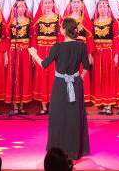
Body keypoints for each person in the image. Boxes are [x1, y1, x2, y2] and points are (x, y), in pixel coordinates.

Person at [28, 17, 91, 160]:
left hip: (60, 85)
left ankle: (57, 150)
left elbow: (44, 64)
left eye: (61, 27)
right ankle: (74, 150)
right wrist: (79, 78)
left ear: (64, 30)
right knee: (74, 117)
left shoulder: (57, 47)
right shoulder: (81, 46)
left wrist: (34, 54)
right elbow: (87, 67)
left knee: (58, 116)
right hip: (75, 84)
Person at [31, 0, 62, 114]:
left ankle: (54, 106)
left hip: (54, 51)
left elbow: (61, 36)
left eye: (49, 3)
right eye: (45, 3)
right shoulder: (38, 19)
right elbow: (34, 37)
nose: (48, 5)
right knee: (42, 77)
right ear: (42, 5)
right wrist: (34, 54)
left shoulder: (58, 18)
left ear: (53, 4)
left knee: (54, 77)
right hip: (41, 51)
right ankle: (44, 107)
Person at [90, 0, 119, 115]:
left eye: (105, 6)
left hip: (109, 52)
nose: (102, 9)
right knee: (98, 77)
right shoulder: (93, 22)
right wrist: (90, 54)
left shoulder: (113, 21)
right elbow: (90, 39)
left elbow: (116, 38)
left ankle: (109, 105)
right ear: (97, 9)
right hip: (97, 53)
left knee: (108, 77)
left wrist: (116, 55)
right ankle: (102, 102)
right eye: (100, 7)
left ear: (108, 8)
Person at [5, 0, 33, 113]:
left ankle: (22, 104)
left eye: (23, 6)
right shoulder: (11, 22)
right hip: (13, 51)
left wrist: (33, 54)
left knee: (24, 76)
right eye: (18, 7)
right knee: (14, 76)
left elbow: (32, 38)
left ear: (26, 8)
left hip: (26, 52)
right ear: (14, 9)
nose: (20, 9)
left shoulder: (30, 21)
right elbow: (7, 38)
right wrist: (6, 55)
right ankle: (15, 105)